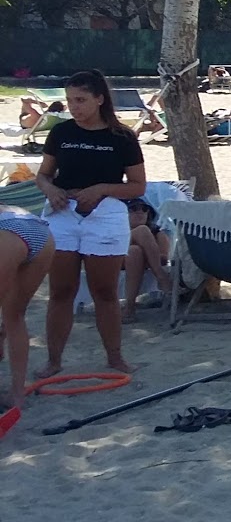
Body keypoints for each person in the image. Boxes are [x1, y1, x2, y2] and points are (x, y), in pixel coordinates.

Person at [35, 70, 146, 376]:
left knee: (105, 292)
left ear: (99, 99)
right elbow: (43, 175)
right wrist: (50, 189)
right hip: (63, 212)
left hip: (105, 213)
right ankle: (53, 361)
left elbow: (138, 186)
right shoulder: (61, 133)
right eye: (70, 100)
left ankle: (115, 357)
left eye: (81, 100)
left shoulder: (122, 137)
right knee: (61, 290)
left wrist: (102, 189)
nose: (74, 107)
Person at [0, 207, 54, 410]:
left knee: (13, 315)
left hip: (9, 232)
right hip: (36, 228)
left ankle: (16, 394)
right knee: (15, 316)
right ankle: (17, 395)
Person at [121, 198, 170, 321]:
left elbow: (164, 258)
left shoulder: (158, 233)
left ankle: (129, 307)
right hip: (116, 258)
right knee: (142, 231)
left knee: (135, 251)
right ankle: (161, 276)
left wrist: (147, 253)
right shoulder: (116, 230)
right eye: (133, 209)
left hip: (135, 261)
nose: (140, 212)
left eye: (144, 209)